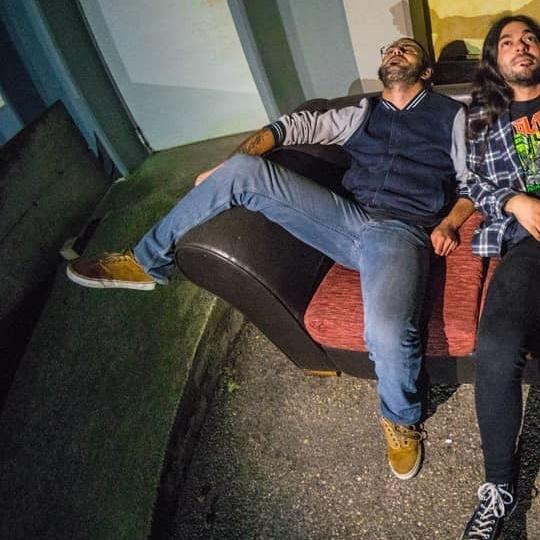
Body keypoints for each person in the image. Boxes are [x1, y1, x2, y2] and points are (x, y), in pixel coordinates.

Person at [67, 38, 474, 481]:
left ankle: (400, 418)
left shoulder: (450, 114)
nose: (395, 52)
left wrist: (450, 223)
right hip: (344, 219)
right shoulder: (362, 112)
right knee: (243, 172)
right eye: (390, 49)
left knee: (388, 331)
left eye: (407, 49)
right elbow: (290, 128)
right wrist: (228, 165)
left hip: (400, 231)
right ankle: (145, 261)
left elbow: (473, 183)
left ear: (426, 72)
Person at [461, 15, 540, 540]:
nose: (521, 46)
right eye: (508, 42)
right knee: (495, 345)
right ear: (495, 59)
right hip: (527, 240)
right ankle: (498, 487)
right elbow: (473, 183)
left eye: (530, 38)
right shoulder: (483, 117)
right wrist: (514, 200)